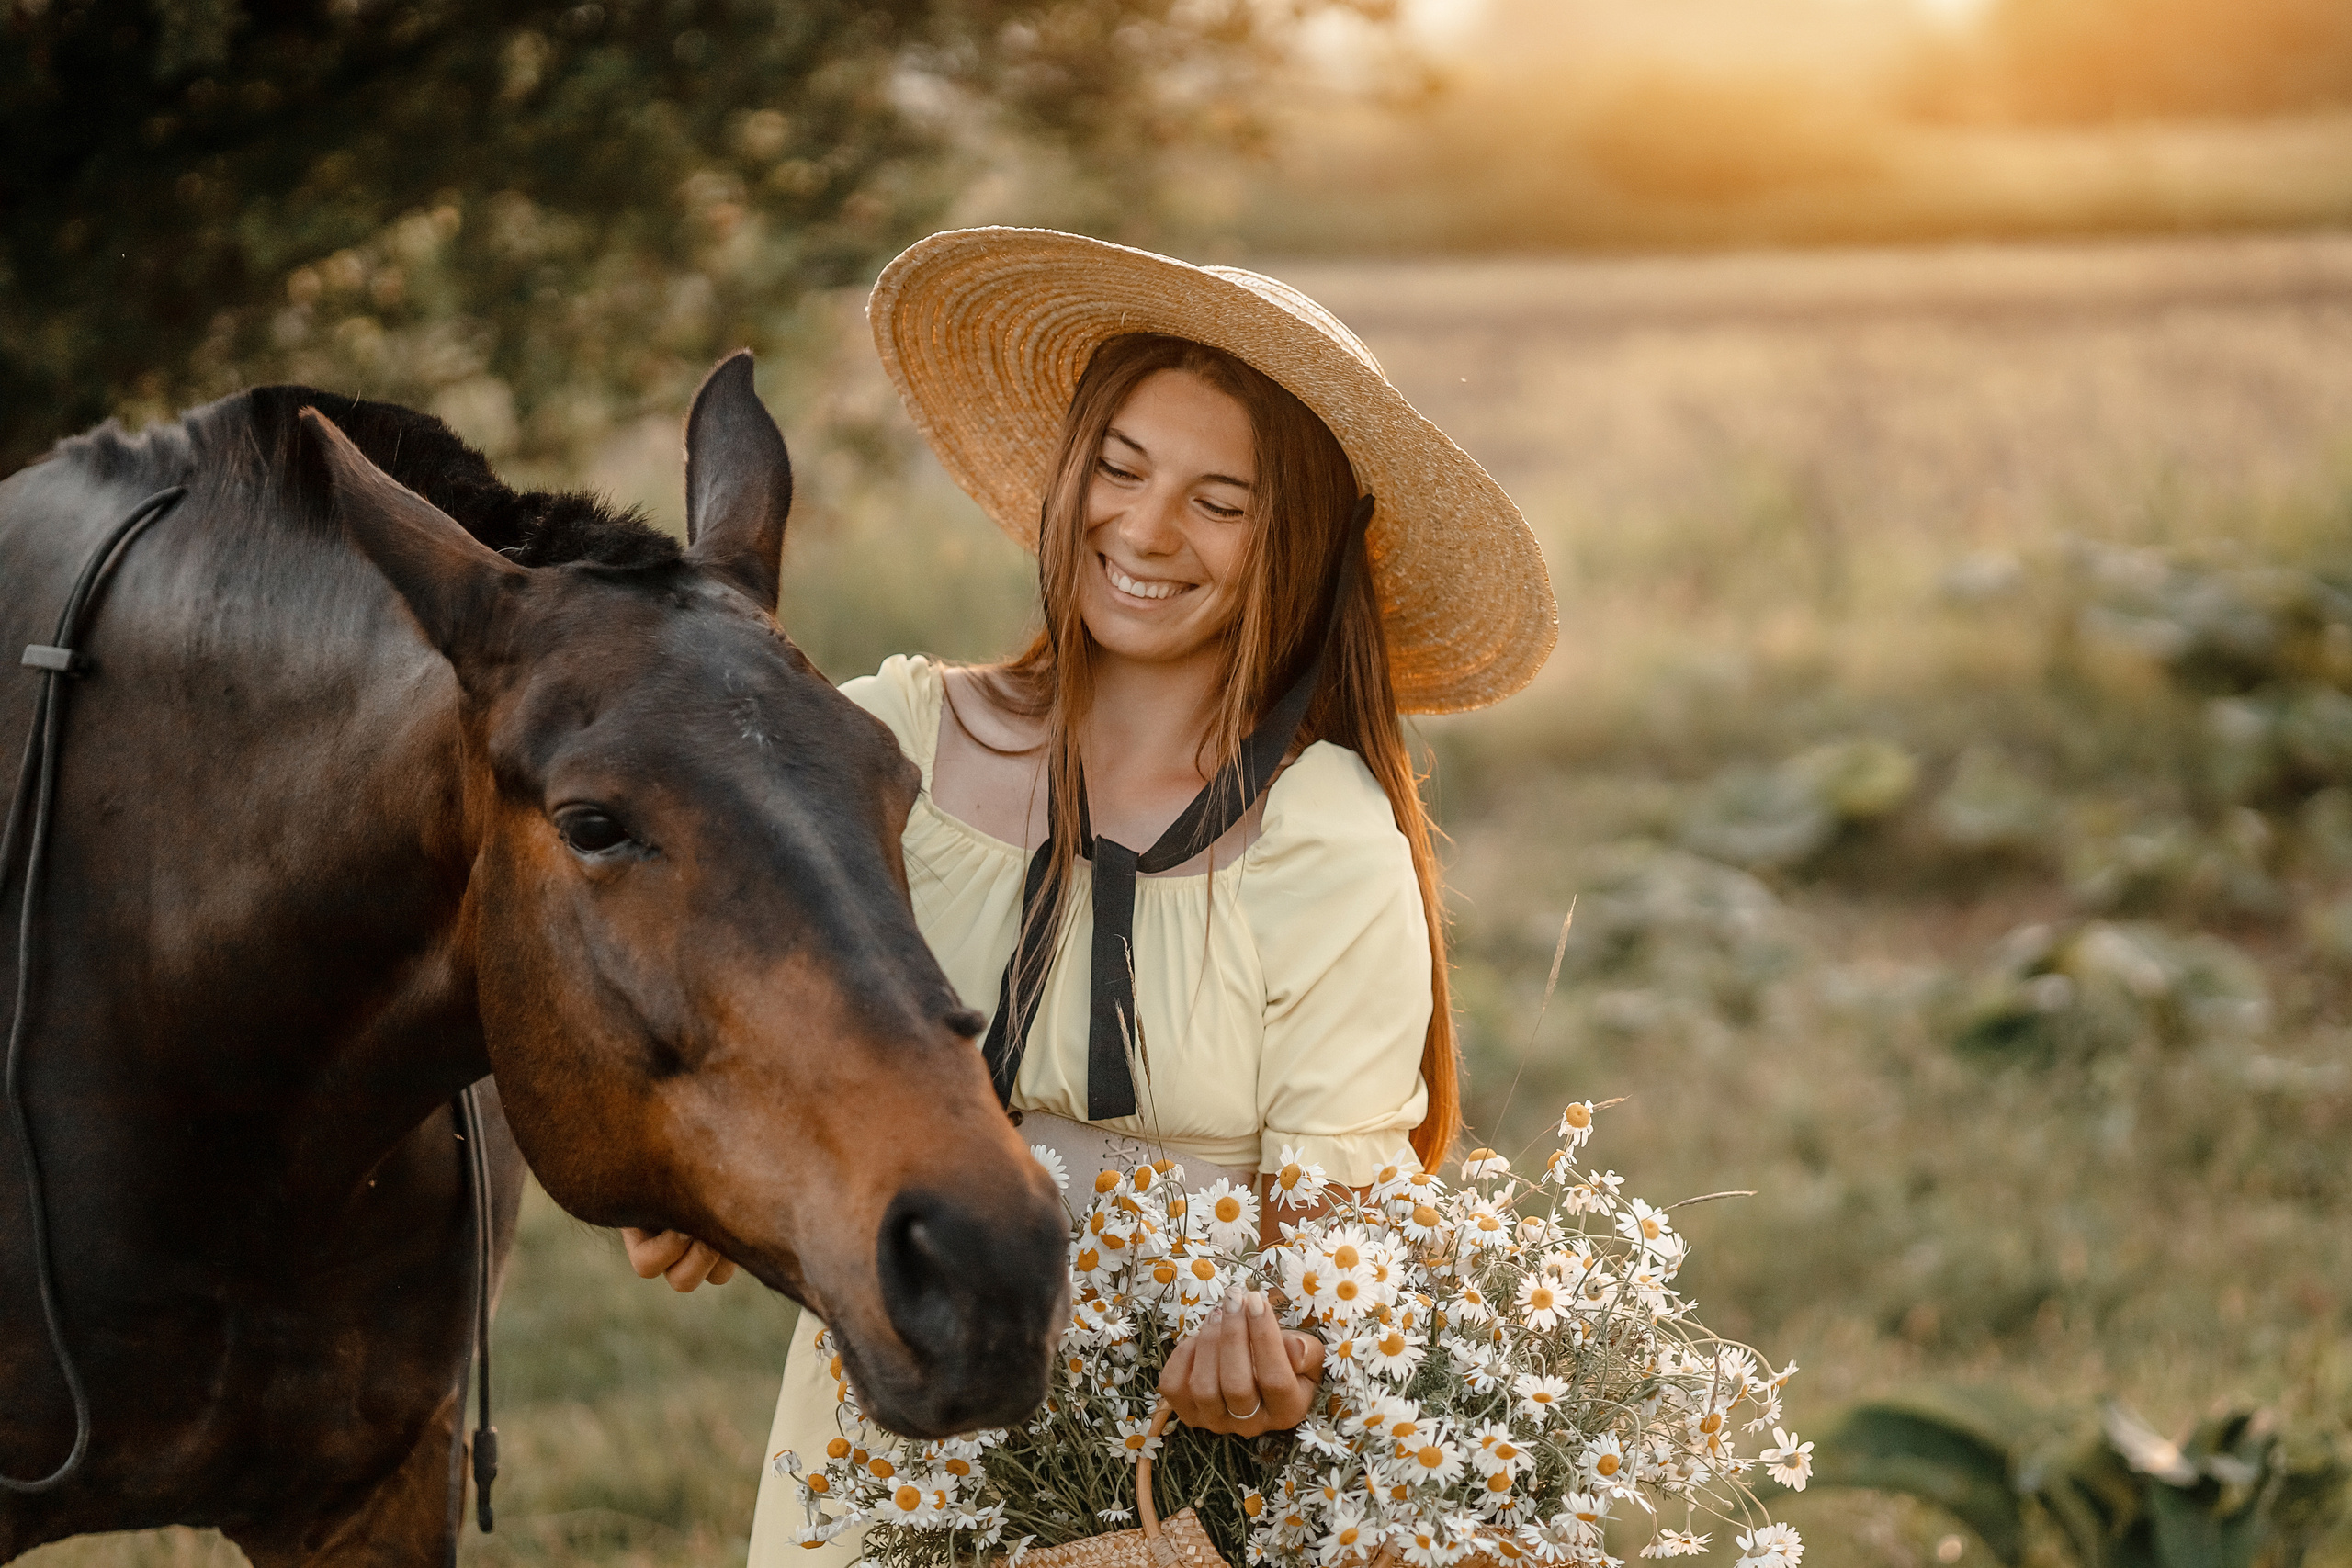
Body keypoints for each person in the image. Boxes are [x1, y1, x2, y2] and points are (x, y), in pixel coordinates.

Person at [619, 228, 1555, 1566]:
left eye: (1219, 501)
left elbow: (1340, 1254)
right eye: (1121, 468)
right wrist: (695, 1171)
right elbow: (725, 1012)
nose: (1147, 528)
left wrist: (1284, 1358)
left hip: (1169, 1475)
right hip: (887, 1423)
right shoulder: (886, 745)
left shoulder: (1325, 838)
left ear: (1292, 544)